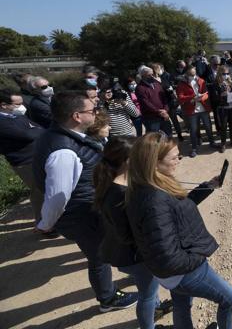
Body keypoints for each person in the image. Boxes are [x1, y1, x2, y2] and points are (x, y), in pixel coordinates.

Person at [32, 91, 138, 311]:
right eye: (92, 110)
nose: (97, 113)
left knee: (106, 249)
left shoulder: (65, 136)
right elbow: (57, 197)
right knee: (99, 257)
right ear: (77, 116)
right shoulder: (63, 151)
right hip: (82, 216)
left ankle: (129, 276)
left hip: (89, 210)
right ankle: (108, 299)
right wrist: (46, 224)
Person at [125, 133, 232, 329]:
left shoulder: (149, 184)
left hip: (170, 273)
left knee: (182, 303)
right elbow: (169, 257)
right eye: (174, 157)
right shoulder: (154, 200)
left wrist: (208, 186)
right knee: (229, 298)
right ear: (154, 162)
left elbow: (179, 206)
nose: (179, 160)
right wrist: (199, 255)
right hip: (182, 272)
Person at [94, 136, 172, 329]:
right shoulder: (120, 193)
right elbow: (127, 234)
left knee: (149, 290)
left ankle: (157, 307)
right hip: (136, 257)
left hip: (132, 253)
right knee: (146, 294)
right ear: (129, 161)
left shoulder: (119, 183)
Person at [0, 89, 49, 232]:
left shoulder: (15, 116)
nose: (22, 107)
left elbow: (38, 129)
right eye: (17, 104)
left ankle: (51, 218)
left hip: (37, 156)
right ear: (4, 105)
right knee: (38, 190)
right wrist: (33, 131)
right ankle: (43, 225)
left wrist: (34, 131)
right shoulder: (2, 122)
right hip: (24, 162)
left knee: (46, 187)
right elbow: (27, 134)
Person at [176, 66, 218, 157]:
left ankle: (212, 142)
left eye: (195, 69)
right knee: (193, 130)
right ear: (187, 71)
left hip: (203, 108)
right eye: (192, 69)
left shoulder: (201, 80)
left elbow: (206, 94)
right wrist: (192, 98)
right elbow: (180, 98)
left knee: (208, 127)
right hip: (191, 110)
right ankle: (194, 148)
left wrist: (201, 97)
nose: (194, 70)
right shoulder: (181, 84)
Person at [135, 65, 172, 137]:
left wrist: (165, 110)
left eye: (153, 74)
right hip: (151, 118)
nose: (152, 76)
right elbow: (145, 103)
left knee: (169, 136)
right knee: (154, 140)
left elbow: (164, 97)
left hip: (164, 115)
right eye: (149, 75)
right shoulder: (140, 88)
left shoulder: (157, 84)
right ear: (143, 76)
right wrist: (159, 111)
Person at [151, 63, 184, 141]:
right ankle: (166, 138)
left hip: (169, 103)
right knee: (164, 123)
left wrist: (173, 94)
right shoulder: (152, 81)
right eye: (159, 68)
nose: (161, 70)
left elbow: (170, 88)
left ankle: (179, 135)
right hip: (160, 105)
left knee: (174, 119)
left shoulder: (164, 77)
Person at [215, 66, 232, 152]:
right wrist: (221, 95)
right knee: (223, 127)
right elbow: (213, 97)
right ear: (220, 74)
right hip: (223, 108)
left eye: (227, 73)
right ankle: (223, 144)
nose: (226, 75)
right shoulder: (216, 83)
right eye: (224, 74)